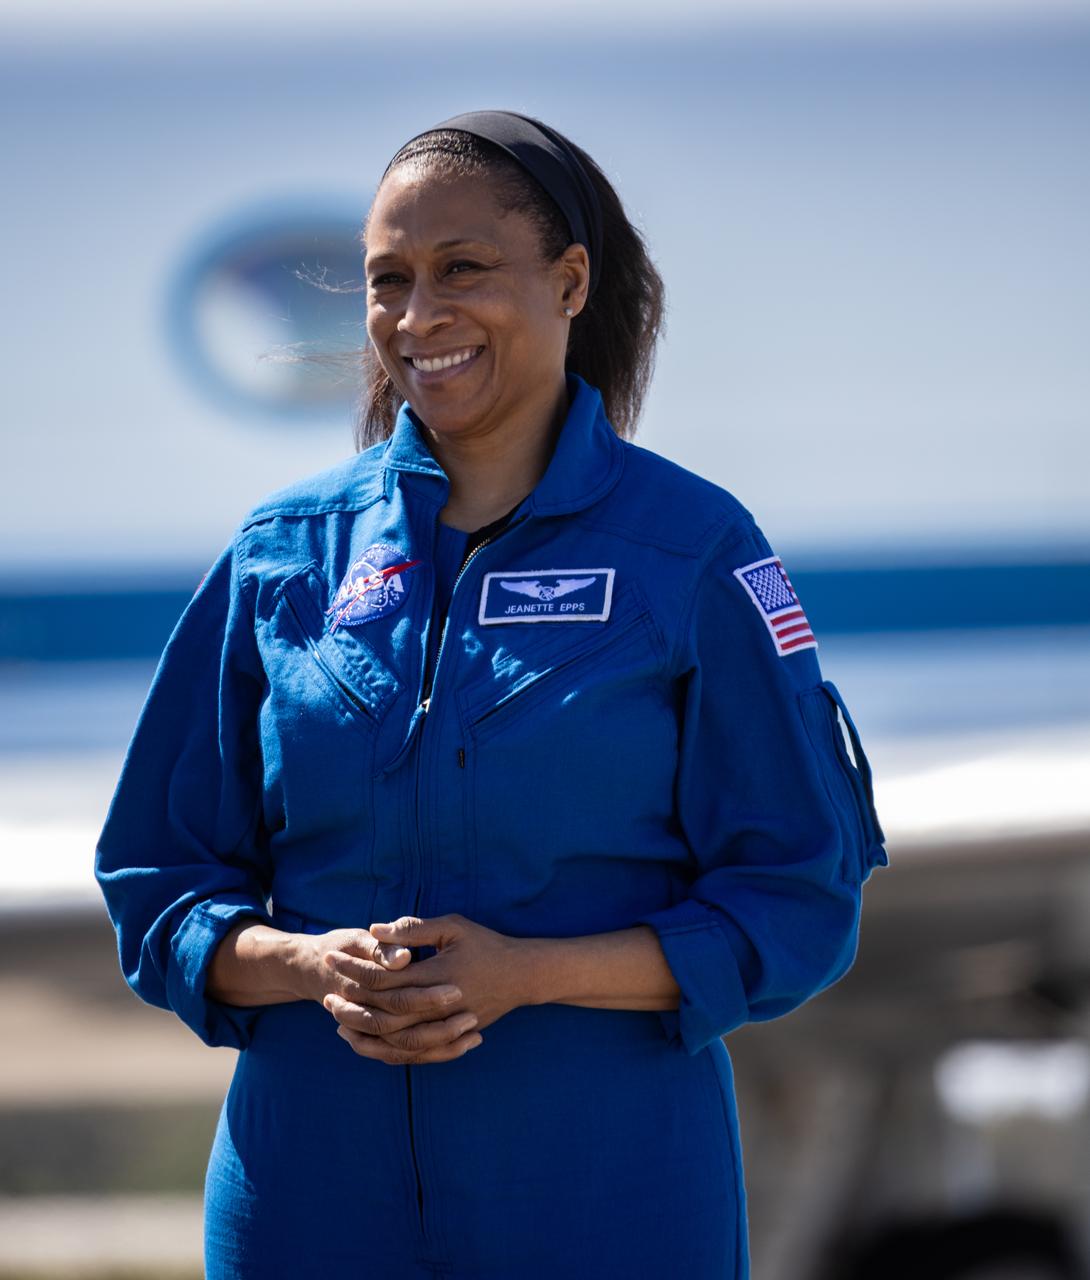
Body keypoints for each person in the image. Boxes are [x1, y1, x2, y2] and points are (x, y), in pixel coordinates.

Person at [94, 109, 889, 1279]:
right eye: (388, 280)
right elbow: (161, 887)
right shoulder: (282, 553)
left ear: (569, 281)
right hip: (308, 1189)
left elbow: (796, 900)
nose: (417, 318)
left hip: (606, 1192)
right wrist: (313, 963)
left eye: (462, 270)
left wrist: (529, 973)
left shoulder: (695, 550)